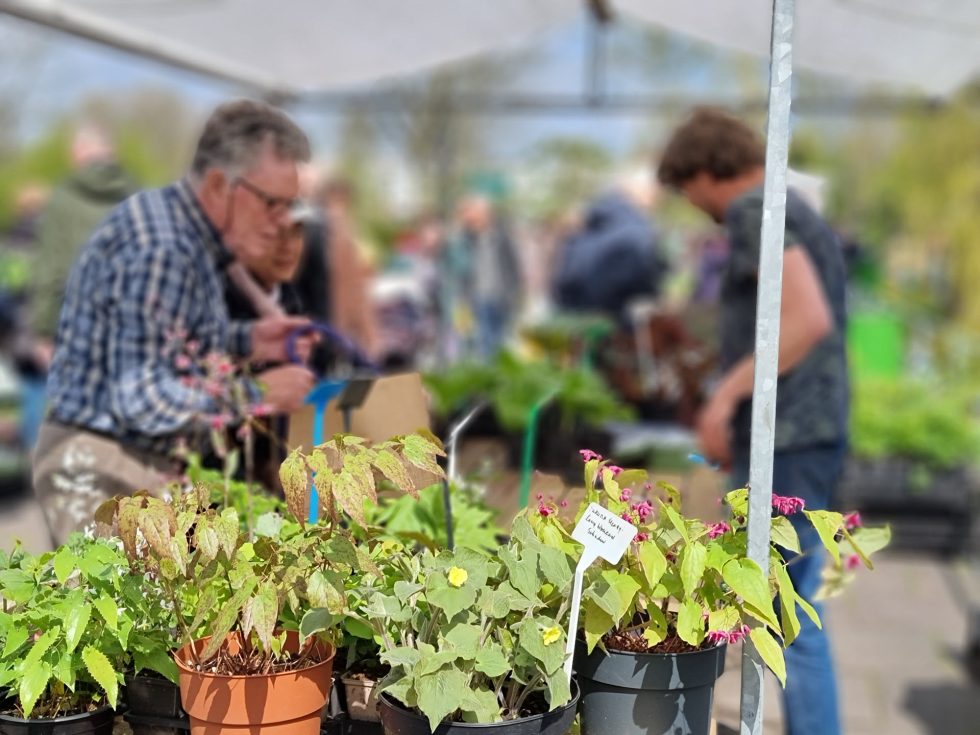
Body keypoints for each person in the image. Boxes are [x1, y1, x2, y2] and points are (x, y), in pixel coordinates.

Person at [34, 99, 316, 544]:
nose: (281, 222)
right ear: (220, 185)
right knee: (119, 592)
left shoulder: (184, 231)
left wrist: (251, 340)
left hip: (135, 460)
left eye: (290, 206)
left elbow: (173, 338)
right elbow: (142, 397)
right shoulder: (163, 248)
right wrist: (258, 393)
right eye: (272, 204)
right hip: (102, 467)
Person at [657, 107, 849, 735]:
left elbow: (806, 320)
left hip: (787, 438)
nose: (693, 205)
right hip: (808, 432)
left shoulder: (753, 210)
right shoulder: (788, 208)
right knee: (792, 606)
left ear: (705, 171)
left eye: (688, 190)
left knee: (788, 614)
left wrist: (723, 399)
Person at [553, 172, 666, 323]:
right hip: (614, 323)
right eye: (656, 194)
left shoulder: (587, 224)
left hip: (573, 320)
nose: (659, 200)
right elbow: (641, 288)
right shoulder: (636, 231)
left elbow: (564, 280)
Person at [441, 194, 522, 358]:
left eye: (478, 212)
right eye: (469, 212)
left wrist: (513, 293)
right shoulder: (463, 240)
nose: (473, 216)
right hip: (476, 299)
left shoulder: (501, 237)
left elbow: (513, 267)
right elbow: (455, 272)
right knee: (483, 343)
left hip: (500, 298)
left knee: (502, 341)